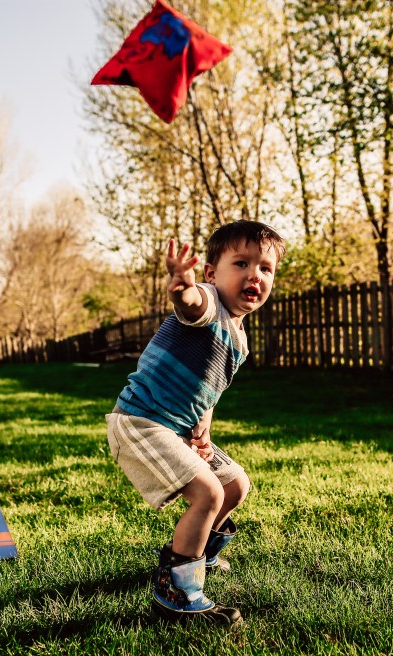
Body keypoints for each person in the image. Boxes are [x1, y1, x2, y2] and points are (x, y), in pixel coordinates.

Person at [106, 220, 286, 625]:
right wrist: (180, 284)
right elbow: (190, 304)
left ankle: (199, 554)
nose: (254, 275)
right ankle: (177, 594)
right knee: (207, 493)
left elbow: (210, 387)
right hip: (140, 422)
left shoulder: (238, 338)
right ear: (211, 273)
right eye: (241, 264)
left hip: (178, 428)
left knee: (235, 485)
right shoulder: (208, 302)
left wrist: (203, 429)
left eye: (265, 268)